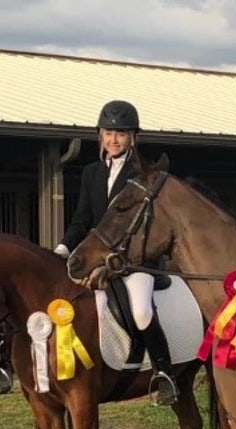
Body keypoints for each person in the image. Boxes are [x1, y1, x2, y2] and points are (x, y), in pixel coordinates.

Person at [54, 100, 178, 406]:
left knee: (141, 309)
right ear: (100, 135)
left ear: (133, 137)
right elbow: (83, 218)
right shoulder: (92, 173)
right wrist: (63, 248)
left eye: (121, 133)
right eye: (109, 132)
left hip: (136, 261)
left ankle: (164, 374)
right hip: (99, 258)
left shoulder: (144, 173)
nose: (114, 139)